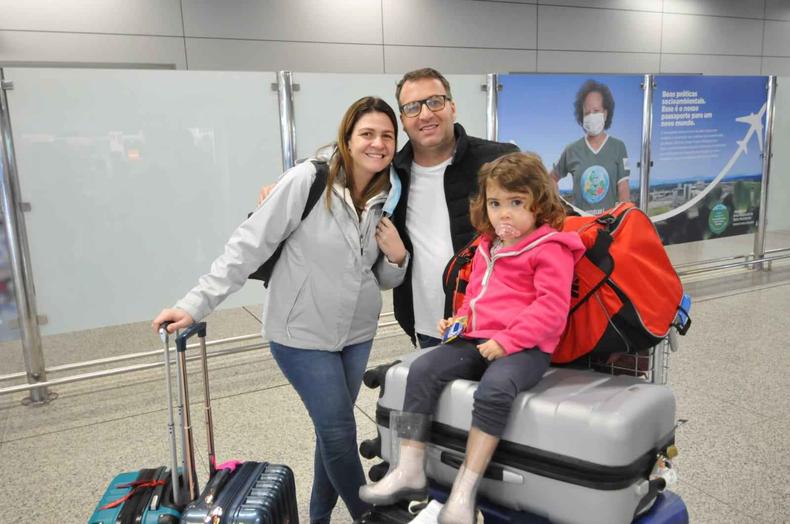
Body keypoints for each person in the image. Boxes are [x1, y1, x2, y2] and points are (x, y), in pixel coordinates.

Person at [153, 96, 409, 524]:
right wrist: (194, 305)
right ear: (347, 138)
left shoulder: (390, 194)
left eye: (386, 135)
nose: (378, 144)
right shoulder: (308, 181)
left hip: (357, 332)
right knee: (339, 430)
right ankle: (371, 516)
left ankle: (318, 517)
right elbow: (247, 247)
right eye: (367, 133)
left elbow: (380, 277)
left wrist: (398, 258)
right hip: (301, 334)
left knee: (333, 431)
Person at [359, 152, 585, 524]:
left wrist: (507, 342)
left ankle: (465, 488)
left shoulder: (551, 250)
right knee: (422, 369)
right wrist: (460, 319)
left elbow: (551, 310)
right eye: (495, 204)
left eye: (516, 203)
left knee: (495, 390)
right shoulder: (487, 246)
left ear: (538, 204)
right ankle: (410, 466)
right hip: (477, 338)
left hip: (525, 348)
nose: (503, 214)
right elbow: (477, 296)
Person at [390, 68, 519, 349]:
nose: (425, 114)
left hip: (496, 327)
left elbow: (550, 216)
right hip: (427, 326)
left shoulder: (499, 159)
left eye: (435, 101)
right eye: (412, 107)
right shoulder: (392, 175)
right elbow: (345, 168)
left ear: (452, 107)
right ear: (402, 120)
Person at [551, 79, 630, 215]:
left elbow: (623, 188)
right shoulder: (572, 150)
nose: (591, 116)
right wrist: (558, 207)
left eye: (596, 110)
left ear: (605, 113)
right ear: (581, 117)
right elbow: (550, 178)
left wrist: (624, 219)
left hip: (608, 224)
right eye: (587, 113)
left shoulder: (618, 147)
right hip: (581, 225)